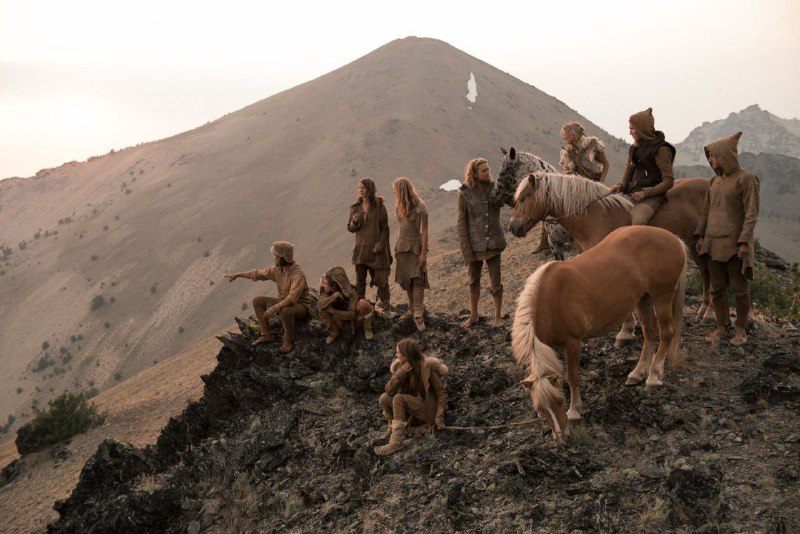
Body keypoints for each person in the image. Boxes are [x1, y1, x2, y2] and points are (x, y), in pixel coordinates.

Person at [694, 132, 759, 346]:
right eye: (709, 156)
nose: (710, 160)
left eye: (713, 155)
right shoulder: (714, 181)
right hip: (712, 243)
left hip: (734, 244)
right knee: (716, 288)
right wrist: (701, 236)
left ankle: (741, 328)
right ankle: (722, 326)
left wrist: (743, 241)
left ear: (725, 155)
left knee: (740, 290)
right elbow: (705, 212)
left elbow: (751, 213)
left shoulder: (746, 179)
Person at [224, 241, 310, 353]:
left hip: (300, 307)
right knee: (258, 301)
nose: (274, 258)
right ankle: (266, 334)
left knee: (285, 311)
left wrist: (275, 308)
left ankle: (289, 341)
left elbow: (292, 298)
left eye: (276, 256)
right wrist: (238, 275)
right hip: (283, 302)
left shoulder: (297, 274)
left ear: (282, 258)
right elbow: (258, 273)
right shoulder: (277, 270)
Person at [375, 338, 448, 456]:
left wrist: (439, 417)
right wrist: (400, 374)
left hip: (427, 409)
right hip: (413, 408)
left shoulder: (427, 367)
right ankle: (395, 429)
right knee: (384, 398)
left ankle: (396, 442)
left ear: (406, 354)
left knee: (399, 399)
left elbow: (441, 393)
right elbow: (388, 390)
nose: (396, 355)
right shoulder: (401, 367)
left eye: (398, 352)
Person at [458, 157, 508, 328]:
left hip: (494, 243)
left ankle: (497, 317)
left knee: (496, 282)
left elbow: (506, 201)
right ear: (475, 173)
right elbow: (462, 224)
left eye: (488, 169)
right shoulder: (464, 194)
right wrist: (466, 251)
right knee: (473, 282)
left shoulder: (495, 188)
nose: (487, 172)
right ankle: (473, 315)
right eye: (484, 170)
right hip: (475, 246)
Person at [610, 107, 676, 225]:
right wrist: (621, 185)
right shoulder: (634, 148)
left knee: (638, 221)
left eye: (632, 129)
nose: (630, 132)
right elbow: (628, 173)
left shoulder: (662, 150)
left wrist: (645, 193)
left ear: (641, 129)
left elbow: (668, 181)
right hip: (632, 193)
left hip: (652, 196)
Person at [348, 178, 393, 317]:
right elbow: (350, 228)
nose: (360, 190)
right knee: (360, 283)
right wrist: (354, 222)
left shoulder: (379, 206)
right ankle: (361, 310)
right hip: (361, 251)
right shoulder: (355, 207)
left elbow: (385, 229)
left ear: (370, 189)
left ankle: (386, 310)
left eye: (363, 187)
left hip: (376, 252)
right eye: (359, 187)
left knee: (381, 281)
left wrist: (380, 246)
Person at [392, 177, 430, 331]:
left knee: (418, 279)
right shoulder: (399, 206)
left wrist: (423, 253)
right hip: (402, 248)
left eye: (396, 190)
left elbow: (425, 231)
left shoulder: (420, 208)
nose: (395, 194)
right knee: (408, 280)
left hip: (416, 247)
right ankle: (412, 308)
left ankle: (418, 314)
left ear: (402, 190)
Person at [317, 266, 374, 343]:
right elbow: (320, 305)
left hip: (354, 321)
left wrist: (334, 311)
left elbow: (351, 314)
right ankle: (334, 332)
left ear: (333, 285)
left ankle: (367, 328)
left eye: (326, 283)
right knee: (322, 308)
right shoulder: (325, 291)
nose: (324, 285)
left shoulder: (351, 291)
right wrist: (334, 296)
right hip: (340, 322)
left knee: (363, 303)